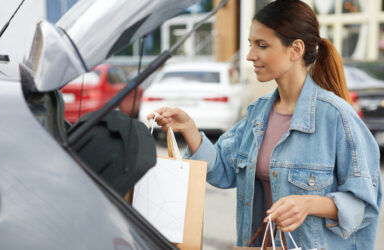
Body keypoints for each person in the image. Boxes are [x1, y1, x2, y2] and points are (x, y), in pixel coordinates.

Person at [148, 0, 382, 249]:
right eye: (251, 44)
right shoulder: (258, 113)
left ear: (295, 50)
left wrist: (308, 204)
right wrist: (190, 129)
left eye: (262, 45)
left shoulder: (338, 117)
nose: (250, 55)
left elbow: (365, 204)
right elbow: (221, 169)